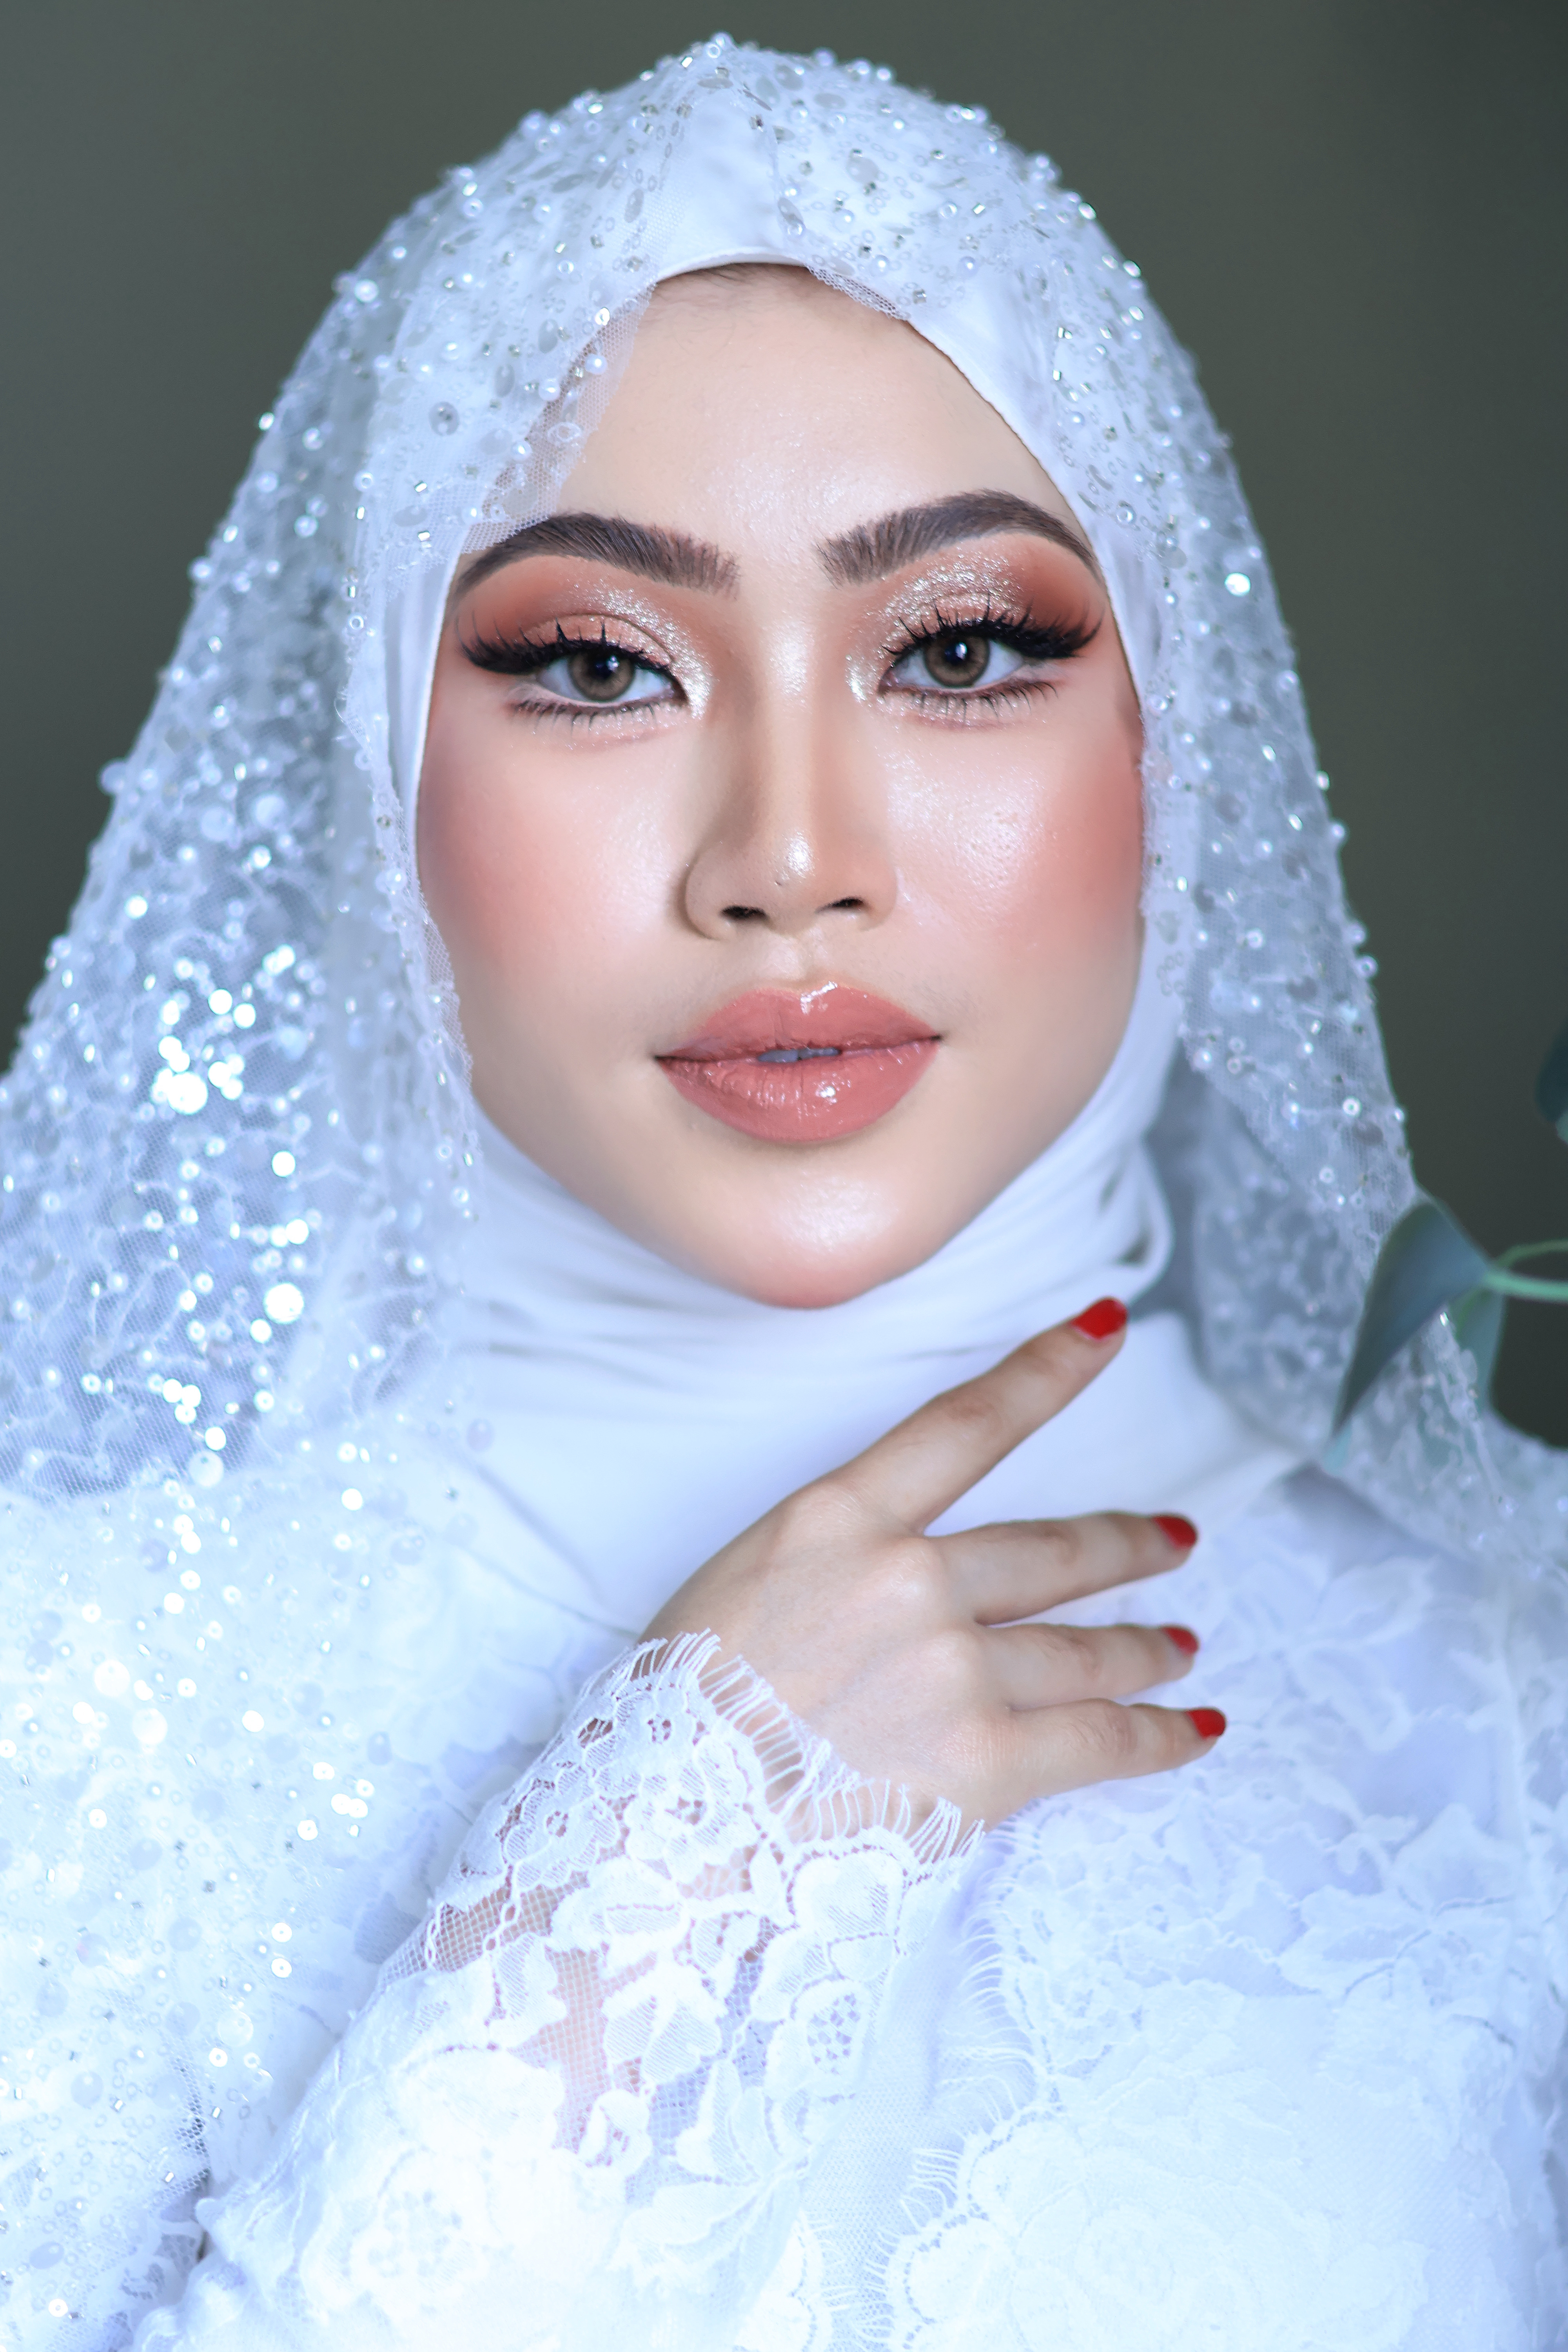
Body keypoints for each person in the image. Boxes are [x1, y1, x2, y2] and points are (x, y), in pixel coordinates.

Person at [2, 36, 1563, 2349]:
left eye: (961, 650)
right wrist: (647, 1881)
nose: (792, 859)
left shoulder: (1511, 1708)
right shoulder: (66, 1713)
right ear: (376, 762)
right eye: (597, 666)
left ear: (1175, 743)